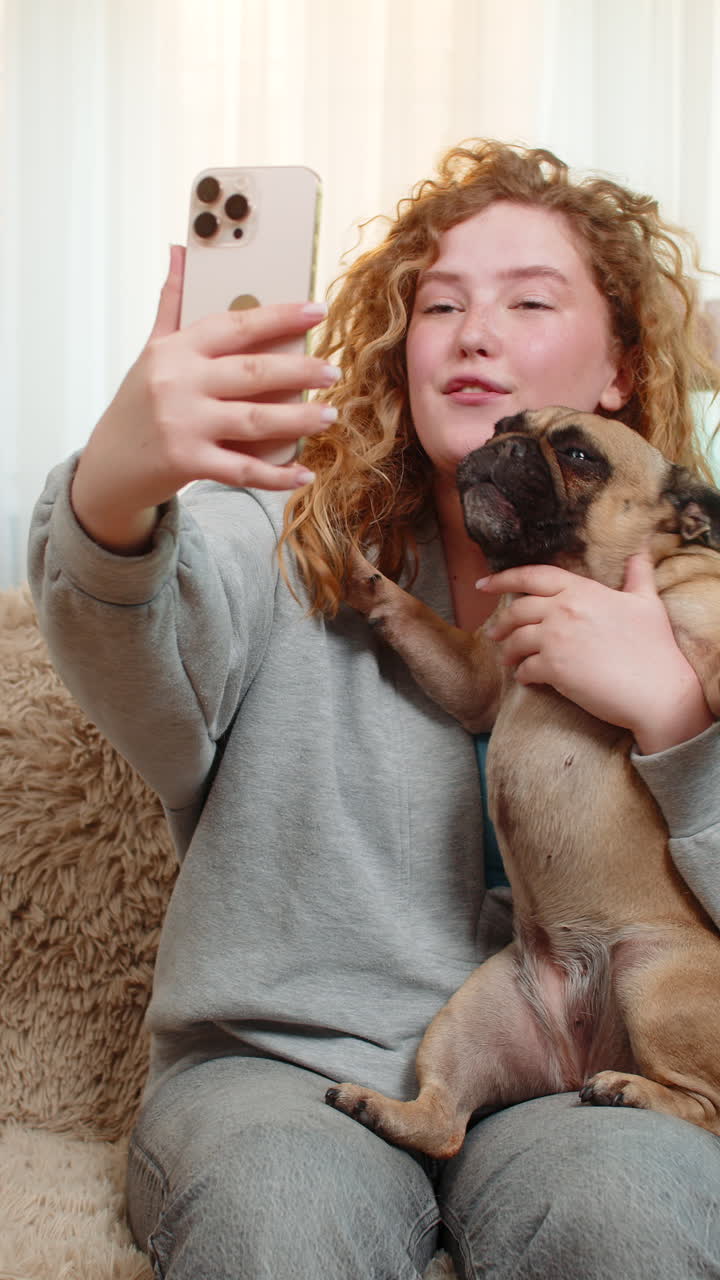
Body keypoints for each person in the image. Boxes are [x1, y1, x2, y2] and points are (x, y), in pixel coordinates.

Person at [28, 140, 720, 1280]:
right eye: (437, 303)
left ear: (621, 363)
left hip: (585, 1064)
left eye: (529, 299)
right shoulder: (285, 534)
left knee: (637, 1209)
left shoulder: (687, 589)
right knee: (283, 1217)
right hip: (281, 1070)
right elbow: (135, 671)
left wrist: (678, 721)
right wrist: (117, 493)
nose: (471, 331)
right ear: (402, 346)